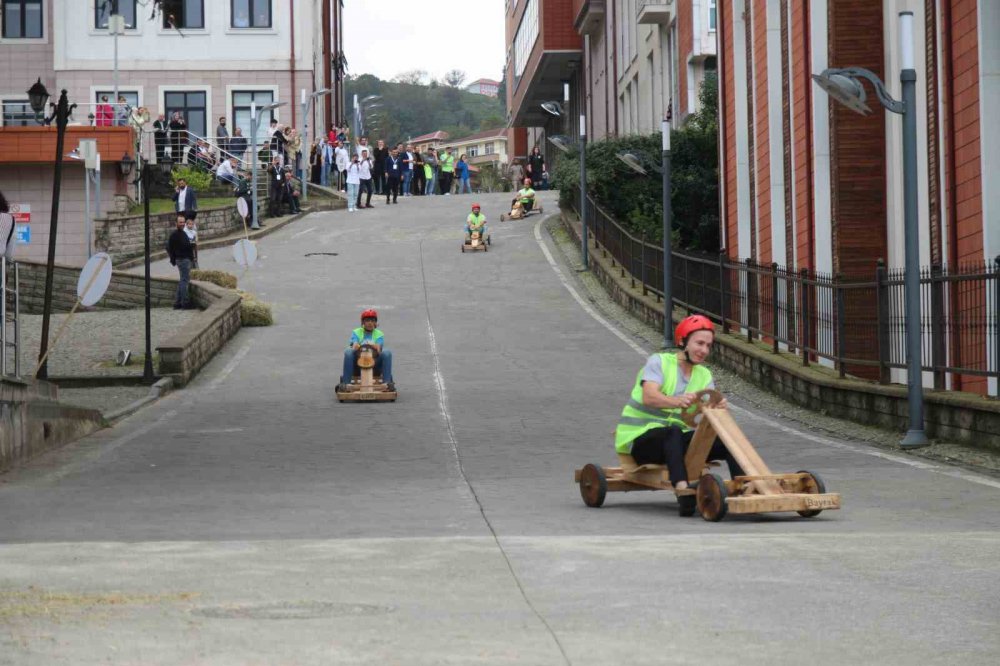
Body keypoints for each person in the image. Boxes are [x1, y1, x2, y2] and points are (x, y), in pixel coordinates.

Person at [614, 315, 744, 492]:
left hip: (677, 443)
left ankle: (745, 486)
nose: (704, 350)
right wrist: (677, 401)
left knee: (726, 439)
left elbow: (705, 413)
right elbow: (649, 397)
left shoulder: (704, 375)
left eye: (708, 346)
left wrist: (717, 409)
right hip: (640, 441)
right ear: (683, 341)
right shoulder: (659, 362)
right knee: (672, 433)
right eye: (699, 343)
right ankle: (682, 489)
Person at [338, 309, 395, 393]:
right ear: (363, 323)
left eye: (372, 321)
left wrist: (374, 346)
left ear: (375, 323)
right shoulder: (357, 332)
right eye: (367, 321)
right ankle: (346, 384)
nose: (370, 323)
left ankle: (386, 384)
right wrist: (356, 345)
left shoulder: (379, 334)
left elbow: (379, 348)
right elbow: (354, 344)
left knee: (387, 352)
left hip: (374, 363)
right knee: (348, 351)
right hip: (358, 363)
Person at [166, 216, 195, 310]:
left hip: (184, 259)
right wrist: (173, 259)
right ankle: (185, 303)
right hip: (182, 260)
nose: (182, 224)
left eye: (183, 222)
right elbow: (168, 248)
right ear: (176, 223)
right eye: (180, 222)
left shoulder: (183, 233)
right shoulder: (175, 235)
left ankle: (177, 303)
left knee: (182, 280)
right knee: (185, 281)